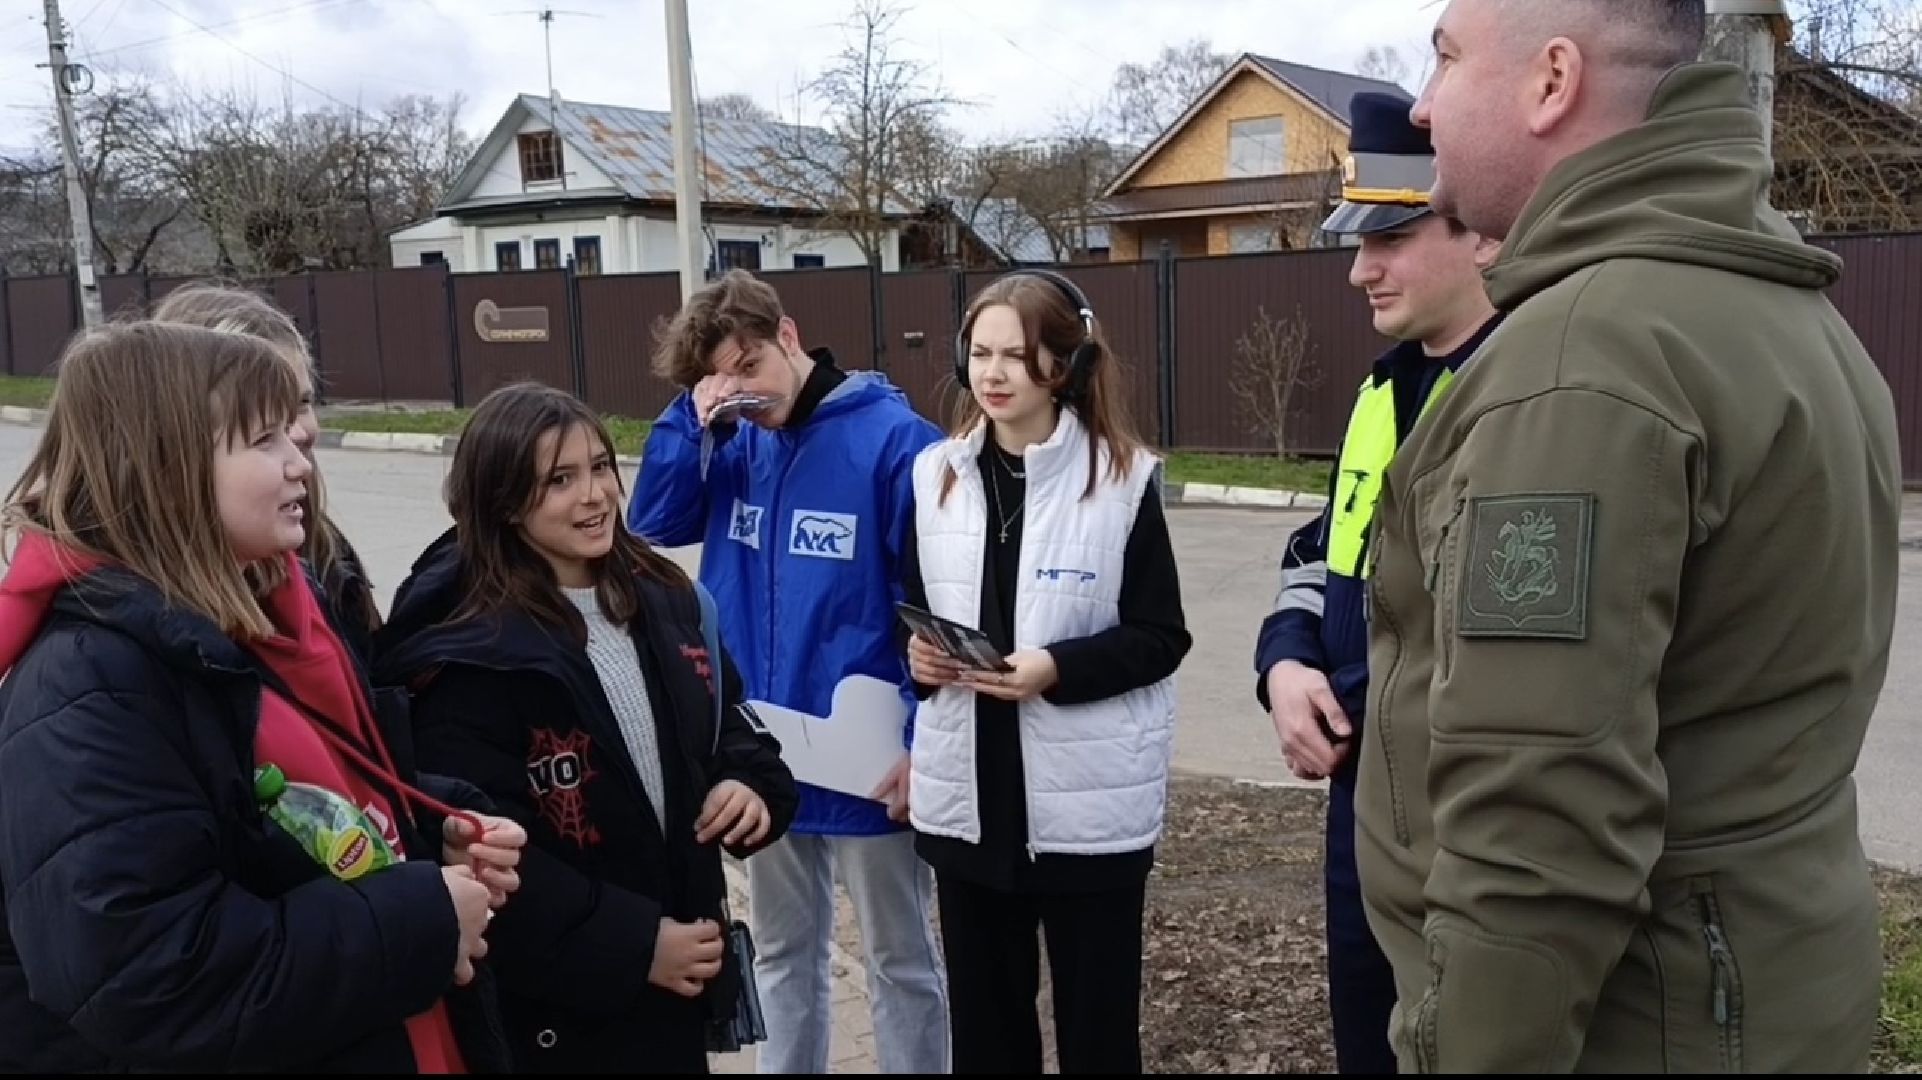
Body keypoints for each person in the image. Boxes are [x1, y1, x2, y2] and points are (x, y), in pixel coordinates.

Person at [1356, 0, 1904, 1071]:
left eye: (1446, 58)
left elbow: (1537, 826)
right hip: (1765, 991)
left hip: (1646, 1027)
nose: (1422, 107)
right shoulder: (1786, 311)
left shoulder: (1583, 359)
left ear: (1550, 81)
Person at [0, 321, 523, 1073]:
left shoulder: (238, 624)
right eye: (263, 440)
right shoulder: (92, 683)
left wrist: (419, 828)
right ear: (167, 466)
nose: (299, 464)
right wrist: (416, 918)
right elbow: (150, 975)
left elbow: (275, 816)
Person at [373, 382, 799, 1073]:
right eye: (560, 480)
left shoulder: (666, 600)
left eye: (601, 467)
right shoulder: (469, 659)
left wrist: (747, 781)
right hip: (557, 1021)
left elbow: (732, 724)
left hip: (676, 992)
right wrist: (638, 945)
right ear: (506, 501)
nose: (595, 495)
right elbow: (493, 861)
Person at [628, 270, 950, 1074]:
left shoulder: (893, 442)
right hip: (760, 755)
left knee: (900, 961)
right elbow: (652, 523)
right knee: (781, 950)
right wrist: (689, 419)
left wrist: (924, 741)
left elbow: (931, 601)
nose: (739, 390)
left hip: (868, 760)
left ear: (789, 336)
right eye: (717, 377)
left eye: (748, 366)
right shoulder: (731, 443)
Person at [1253, 91, 1500, 1075]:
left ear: (1477, 231)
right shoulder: (1382, 387)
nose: (1359, 268)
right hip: (1362, 808)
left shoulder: (1525, 396)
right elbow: (1318, 554)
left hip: (1462, 825)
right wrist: (1282, 663)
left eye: (1390, 236)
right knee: (1368, 1042)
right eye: (1356, 240)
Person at [903, 269, 1191, 1074]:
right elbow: (913, 605)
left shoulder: (1123, 482)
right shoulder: (936, 478)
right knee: (989, 1042)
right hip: (969, 811)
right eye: (980, 354)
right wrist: (922, 662)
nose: (992, 375)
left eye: (1016, 357)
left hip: (1085, 818)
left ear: (1064, 366)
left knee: (1098, 1039)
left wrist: (1054, 668)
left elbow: (1160, 637)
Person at [150, 283, 382, 663]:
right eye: (265, 423)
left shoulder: (321, 545)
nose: (299, 433)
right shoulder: (152, 612)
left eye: (303, 402)